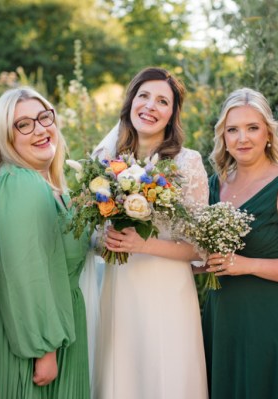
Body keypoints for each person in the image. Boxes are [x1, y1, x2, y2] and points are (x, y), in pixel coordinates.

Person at [92, 67, 209, 399]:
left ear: (172, 114)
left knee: (165, 376)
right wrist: (104, 239)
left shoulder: (187, 163)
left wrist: (145, 244)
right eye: (143, 96)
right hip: (117, 288)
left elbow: (198, 249)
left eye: (162, 101)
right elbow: (93, 231)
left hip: (167, 290)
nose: (150, 106)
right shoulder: (105, 160)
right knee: (120, 377)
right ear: (131, 101)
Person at [0, 87, 90, 398]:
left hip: (44, 324)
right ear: (5, 138)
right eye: (23, 124)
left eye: (44, 117)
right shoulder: (21, 183)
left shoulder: (44, 183)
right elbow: (27, 270)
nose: (40, 129)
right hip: (29, 336)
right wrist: (44, 348)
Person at [202, 88, 278, 399]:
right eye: (233, 130)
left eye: (252, 128)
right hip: (221, 315)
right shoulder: (215, 183)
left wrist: (245, 264)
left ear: (268, 133)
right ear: (223, 137)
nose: (243, 138)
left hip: (270, 319)